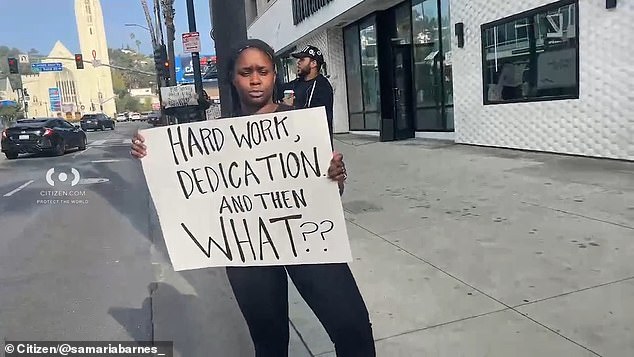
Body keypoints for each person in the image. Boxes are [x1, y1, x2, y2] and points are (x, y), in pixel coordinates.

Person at [130, 39, 376, 357]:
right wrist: (151, 155)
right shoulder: (214, 138)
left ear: (275, 75)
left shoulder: (300, 124)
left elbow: (330, 193)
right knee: (270, 344)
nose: (255, 79)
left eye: (263, 71)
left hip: (307, 239)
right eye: (246, 72)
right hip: (248, 249)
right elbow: (188, 189)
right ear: (233, 78)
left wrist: (335, 176)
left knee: (353, 327)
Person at [279, 45, 334, 144]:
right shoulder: (297, 83)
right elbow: (276, 89)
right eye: (298, 59)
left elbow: (318, 119)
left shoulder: (322, 86)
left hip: (315, 145)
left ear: (313, 63)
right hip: (297, 141)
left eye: (302, 59)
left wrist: (290, 108)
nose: (298, 62)